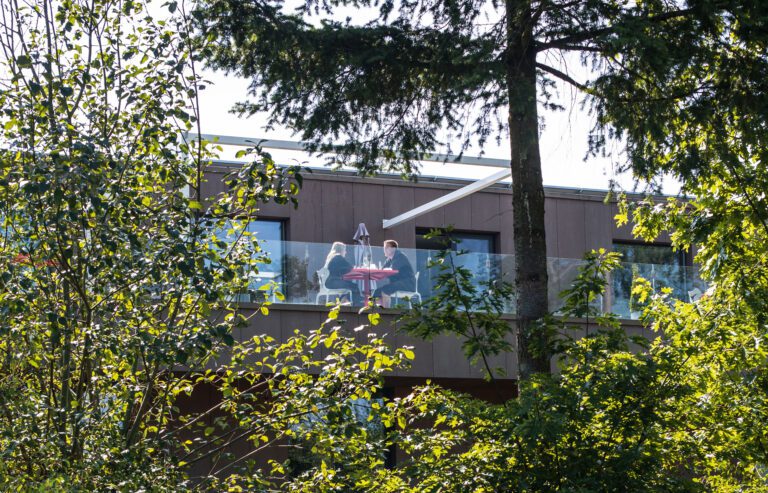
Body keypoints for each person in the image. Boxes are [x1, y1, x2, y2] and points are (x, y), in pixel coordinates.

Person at [372, 239, 415, 307]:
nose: (384, 250)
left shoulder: (400, 256)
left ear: (391, 249)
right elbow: (383, 270)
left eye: (385, 248)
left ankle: (385, 312)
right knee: (377, 292)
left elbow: (392, 270)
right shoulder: (389, 259)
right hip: (397, 284)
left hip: (406, 284)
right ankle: (376, 311)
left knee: (385, 291)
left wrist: (383, 270)